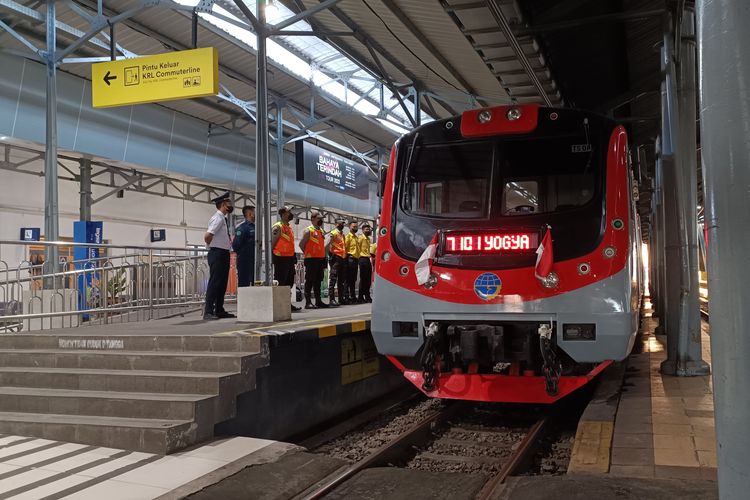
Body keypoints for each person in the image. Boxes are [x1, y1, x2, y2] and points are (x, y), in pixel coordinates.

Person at [203, 192, 236, 320]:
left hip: (223, 252)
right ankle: (209, 311)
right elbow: (207, 236)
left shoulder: (223, 218)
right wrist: (213, 247)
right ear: (223, 204)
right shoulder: (218, 217)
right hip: (217, 253)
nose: (230, 205)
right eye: (229, 203)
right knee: (215, 282)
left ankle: (219, 309)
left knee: (222, 283)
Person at [272, 206, 301, 312]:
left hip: (289, 258)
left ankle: (287, 304)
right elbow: (272, 243)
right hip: (280, 258)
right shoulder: (278, 227)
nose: (291, 214)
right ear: (283, 214)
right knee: (281, 282)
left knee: (289, 282)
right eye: (289, 212)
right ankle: (279, 305)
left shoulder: (288, 227)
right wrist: (273, 258)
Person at [299, 212, 329, 309]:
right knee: (310, 281)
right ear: (312, 219)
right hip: (311, 259)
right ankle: (308, 302)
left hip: (320, 259)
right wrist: (307, 253)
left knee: (318, 281)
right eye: (318, 218)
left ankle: (318, 301)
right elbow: (301, 244)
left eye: (321, 218)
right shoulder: (308, 231)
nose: (320, 220)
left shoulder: (321, 231)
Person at [232, 205, 255, 287]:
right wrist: (244, 254)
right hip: (245, 261)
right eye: (254, 212)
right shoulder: (243, 228)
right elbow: (236, 245)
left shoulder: (255, 227)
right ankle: (243, 300)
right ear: (249, 214)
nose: (256, 214)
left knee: (255, 283)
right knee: (244, 284)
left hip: (254, 260)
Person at [325, 218, 347, 306]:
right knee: (333, 278)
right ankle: (332, 299)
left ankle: (341, 298)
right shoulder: (333, 233)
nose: (343, 225)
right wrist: (329, 255)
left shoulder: (342, 234)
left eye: (343, 223)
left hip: (342, 257)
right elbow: (327, 244)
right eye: (341, 223)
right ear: (336, 224)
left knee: (341, 279)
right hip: (335, 257)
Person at [344, 221, 360, 303]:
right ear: (349, 227)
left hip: (355, 259)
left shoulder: (356, 238)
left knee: (353, 279)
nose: (355, 228)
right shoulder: (348, 237)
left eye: (356, 226)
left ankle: (353, 296)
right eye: (353, 226)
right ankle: (346, 297)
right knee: (348, 279)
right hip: (350, 258)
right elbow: (345, 249)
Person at [357, 223, 373, 303]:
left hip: (367, 258)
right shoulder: (360, 238)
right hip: (362, 258)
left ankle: (367, 295)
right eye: (366, 229)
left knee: (368, 278)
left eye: (369, 229)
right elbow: (357, 248)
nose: (368, 230)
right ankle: (360, 296)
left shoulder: (368, 239)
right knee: (363, 278)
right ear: (363, 230)